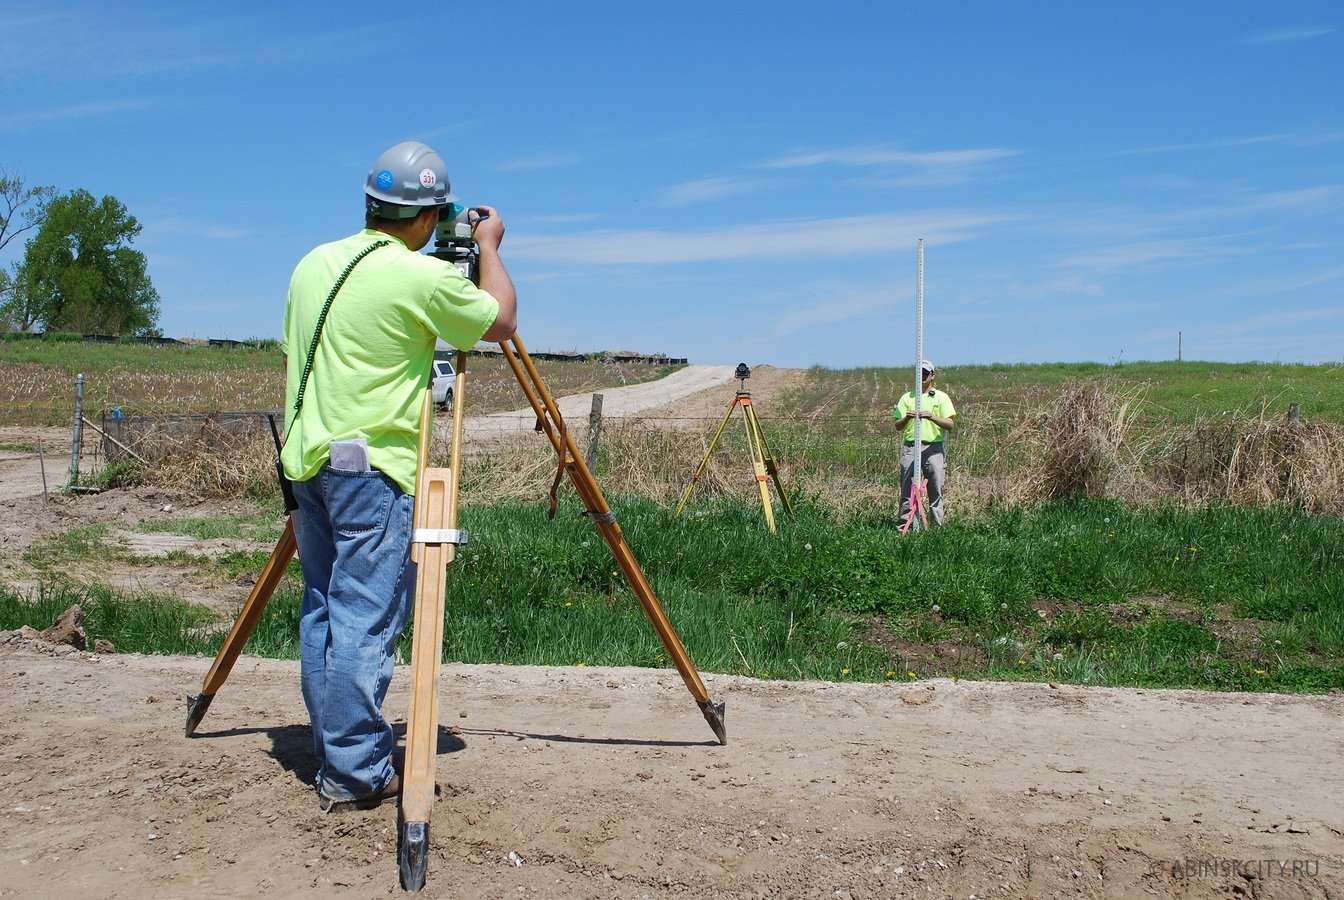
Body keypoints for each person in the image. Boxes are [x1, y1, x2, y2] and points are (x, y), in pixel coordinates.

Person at [280, 140, 517, 812]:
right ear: (427, 217)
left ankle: (336, 746)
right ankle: (355, 772)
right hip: (372, 471)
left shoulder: (312, 264)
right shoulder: (420, 278)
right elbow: (500, 319)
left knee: (324, 608)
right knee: (364, 617)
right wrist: (489, 247)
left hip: (308, 463)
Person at [892, 359, 956, 529]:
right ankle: (905, 526)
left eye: (926, 373)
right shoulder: (907, 398)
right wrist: (907, 417)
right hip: (911, 447)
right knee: (907, 489)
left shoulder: (941, 397)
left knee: (935, 489)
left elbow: (950, 424)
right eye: (919, 373)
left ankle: (937, 527)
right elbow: (898, 425)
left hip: (933, 449)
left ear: (932, 375)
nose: (922, 376)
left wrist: (931, 417)